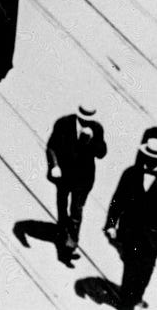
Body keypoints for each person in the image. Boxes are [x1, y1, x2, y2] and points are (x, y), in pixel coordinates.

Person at [104, 138, 157, 309]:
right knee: (131, 269)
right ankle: (126, 303)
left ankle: (137, 297)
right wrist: (111, 224)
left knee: (146, 270)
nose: (151, 161)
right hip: (131, 232)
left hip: (154, 236)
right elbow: (117, 200)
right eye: (148, 156)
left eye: (155, 158)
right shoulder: (131, 174)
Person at [45, 103, 107, 265]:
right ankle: (62, 232)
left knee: (76, 211)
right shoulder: (64, 123)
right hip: (64, 175)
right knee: (62, 206)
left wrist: (91, 141)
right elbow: (51, 146)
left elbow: (102, 153)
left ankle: (70, 244)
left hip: (83, 178)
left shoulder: (97, 129)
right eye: (83, 119)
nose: (86, 123)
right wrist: (54, 166)